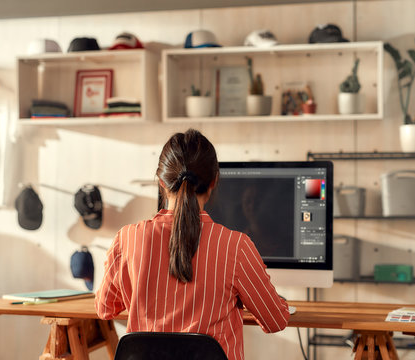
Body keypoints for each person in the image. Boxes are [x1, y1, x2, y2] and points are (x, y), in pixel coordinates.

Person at [95, 129, 290, 360]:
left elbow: (105, 308)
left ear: (161, 182)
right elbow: (275, 320)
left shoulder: (126, 238)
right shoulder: (236, 246)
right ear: (214, 181)